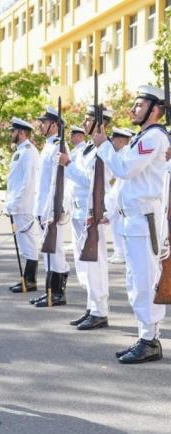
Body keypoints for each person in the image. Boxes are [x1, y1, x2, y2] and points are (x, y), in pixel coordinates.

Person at [93, 85, 169, 364]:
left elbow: (124, 169)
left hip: (144, 218)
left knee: (145, 281)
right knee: (134, 281)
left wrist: (103, 145)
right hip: (132, 219)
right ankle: (145, 335)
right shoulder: (142, 138)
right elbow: (123, 165)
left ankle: (150, 340)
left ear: (156, 109)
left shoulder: (155, 138)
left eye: (139, 105)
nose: (133, 109)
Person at [59, 106, 114, 330]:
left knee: (95, 265)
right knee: (84, 265)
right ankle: (92, 307)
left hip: (92, 213)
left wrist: (68, 165)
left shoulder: (104, 149)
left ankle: (100, 311)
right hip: (79, 211)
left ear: (100, 124)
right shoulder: (88, 149)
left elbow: (91, 183)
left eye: (88, 119)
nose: (83, 123)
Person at [30, 106, 71, 307]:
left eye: (44, 122)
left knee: (55, 250)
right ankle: (49, 291)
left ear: (54, 125)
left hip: (51, 207)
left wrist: (56, 208)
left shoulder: (58, 146)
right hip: (42, 205)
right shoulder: (48, 145)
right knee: (47, 251)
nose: (40, 125)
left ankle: (57, 292)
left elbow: (60, 181)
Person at [4, 118, 41, 293]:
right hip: (17, 205)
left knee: (28, 243)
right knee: (23, 243)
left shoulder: (29, 152)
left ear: (22, 133)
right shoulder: (20, 151)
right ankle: (26, 279)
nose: (11, 134)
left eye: (14, 131)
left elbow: (28, 182)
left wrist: (16, 204)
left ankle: (30, 280)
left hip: (24, 206)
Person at [105, 128, 134, 264]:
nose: (112, 142)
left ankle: (121, 252)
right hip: (116, 197)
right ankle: (119, 252)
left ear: (122, 140)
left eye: (114, 139)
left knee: (119, 226)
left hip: (121, 198)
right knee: (116, 226)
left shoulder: (125, 154)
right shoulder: (121, 153)